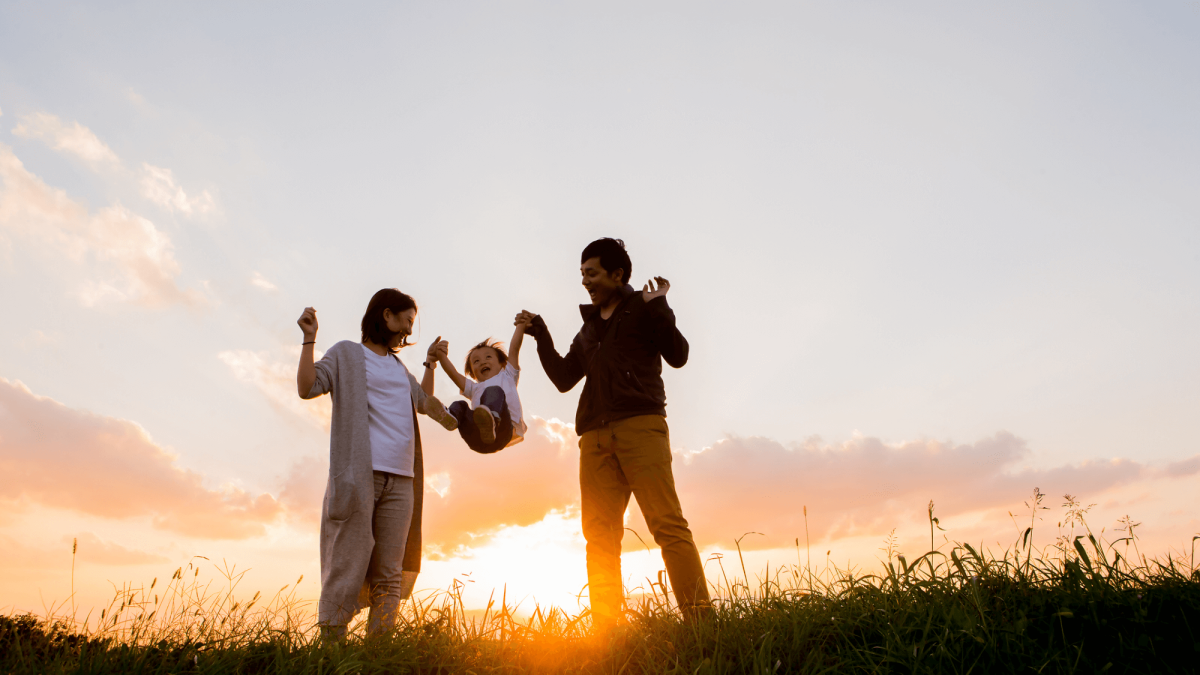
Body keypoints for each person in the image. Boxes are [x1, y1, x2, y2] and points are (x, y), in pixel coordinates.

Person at [515, 238, 712, 628]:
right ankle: (607, 634)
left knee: (668, 525)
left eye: (592, 273)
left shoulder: (643, 307)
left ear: (617, 273)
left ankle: (702, 625)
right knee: (600, 538)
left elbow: (679, 355)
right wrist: (542, 335)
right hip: (594, 438)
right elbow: (563, 378)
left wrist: (660, 307)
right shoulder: (589, 330)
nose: (585, 281)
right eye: (582, 274)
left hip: (641, 427)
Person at [295, 288, 452, 637]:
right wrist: (309, 340)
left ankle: (378, 655)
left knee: (389, 574)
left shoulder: (399, 368)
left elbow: (423, 402)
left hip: (402, 481)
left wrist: (430, 364)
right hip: (359, 477)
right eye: (407, 320)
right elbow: (307, 388)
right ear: (387, 315)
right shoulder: (346, 355)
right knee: (346, 566)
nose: (410, 329)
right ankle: (331, 650)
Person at [429, 319, 529, 454]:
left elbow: (514, 349)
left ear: (502, 364)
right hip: (477, 440)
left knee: (494, 391)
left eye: (488, 357)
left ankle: (492, 421)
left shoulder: (508, 376)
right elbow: (453, 374)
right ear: (472, 373)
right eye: (476, 361)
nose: (482, 362)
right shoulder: (474, 388)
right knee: (461, 405)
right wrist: (441, 355)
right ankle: (450, 418)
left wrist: (521, 326)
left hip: (503, 432)